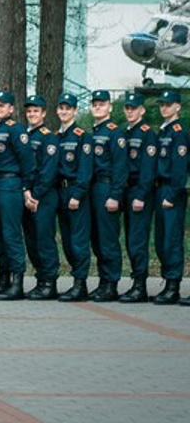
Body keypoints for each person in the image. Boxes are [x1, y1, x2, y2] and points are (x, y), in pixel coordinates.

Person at [0, 89, 34, 300]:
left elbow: (28, 162)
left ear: (11, 109)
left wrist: (26, 188)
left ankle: (17, 283)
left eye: (1, 105)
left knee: (11, 235)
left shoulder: (16, 130)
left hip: (10, 185)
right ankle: (3, 280)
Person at [116, 90, 158, 303]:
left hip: (139, 192)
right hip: (126, 190)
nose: (130, 111)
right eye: (127, 108)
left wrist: (141, 195)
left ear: (142, 110)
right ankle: (135, 282)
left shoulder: (147, 133)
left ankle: (140, 286)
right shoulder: (125, 132)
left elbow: (148, 169)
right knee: (130, 239)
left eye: (134, 108)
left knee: (137, 241)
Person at [53, 93, 93, 302]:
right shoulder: (56, 137)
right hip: (59, 192)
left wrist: (77, 194)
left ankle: (80, 284)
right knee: (67, 241)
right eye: (61, 108)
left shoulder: (82, 136)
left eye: (68, 108)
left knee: (78, 241)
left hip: (75, 193)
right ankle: (75, 279)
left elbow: (85, 171)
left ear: (75, 111)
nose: (64, 112)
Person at [86, 89, 125, 303]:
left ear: (110, 107)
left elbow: (120, 167)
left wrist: (115, 195)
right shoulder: (93, 132)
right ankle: (103, 282)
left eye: (102, 104)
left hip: (107, 188)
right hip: (93, 189)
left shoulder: (114, 133)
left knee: (108, 239)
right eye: (95, 104)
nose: (98, 107)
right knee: (97, 239)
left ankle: (111, 284)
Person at [22, 95, 62, 300]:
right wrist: (25, 192)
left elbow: (48, 171)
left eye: (36, 111)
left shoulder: (49, 137)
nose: (32, 114)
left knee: (44, 239)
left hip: (43, 197)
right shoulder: (25, 136)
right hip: (28, 195)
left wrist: (34, 195)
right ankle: (40, 280)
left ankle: (50, 282)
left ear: (44, 113)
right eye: (29, 111)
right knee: (32, 240)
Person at [151, 88, 187, 305]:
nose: (164, 107)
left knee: (172, 240)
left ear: (177, 107)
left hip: (171, 191)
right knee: (161, 240)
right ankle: (167, 282)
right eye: (162, 104)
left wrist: (172, 195)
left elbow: (180, 169)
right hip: (160, 189)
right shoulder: (163, 131)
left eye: (168, 104)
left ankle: (173, 285)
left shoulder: (178, 132)